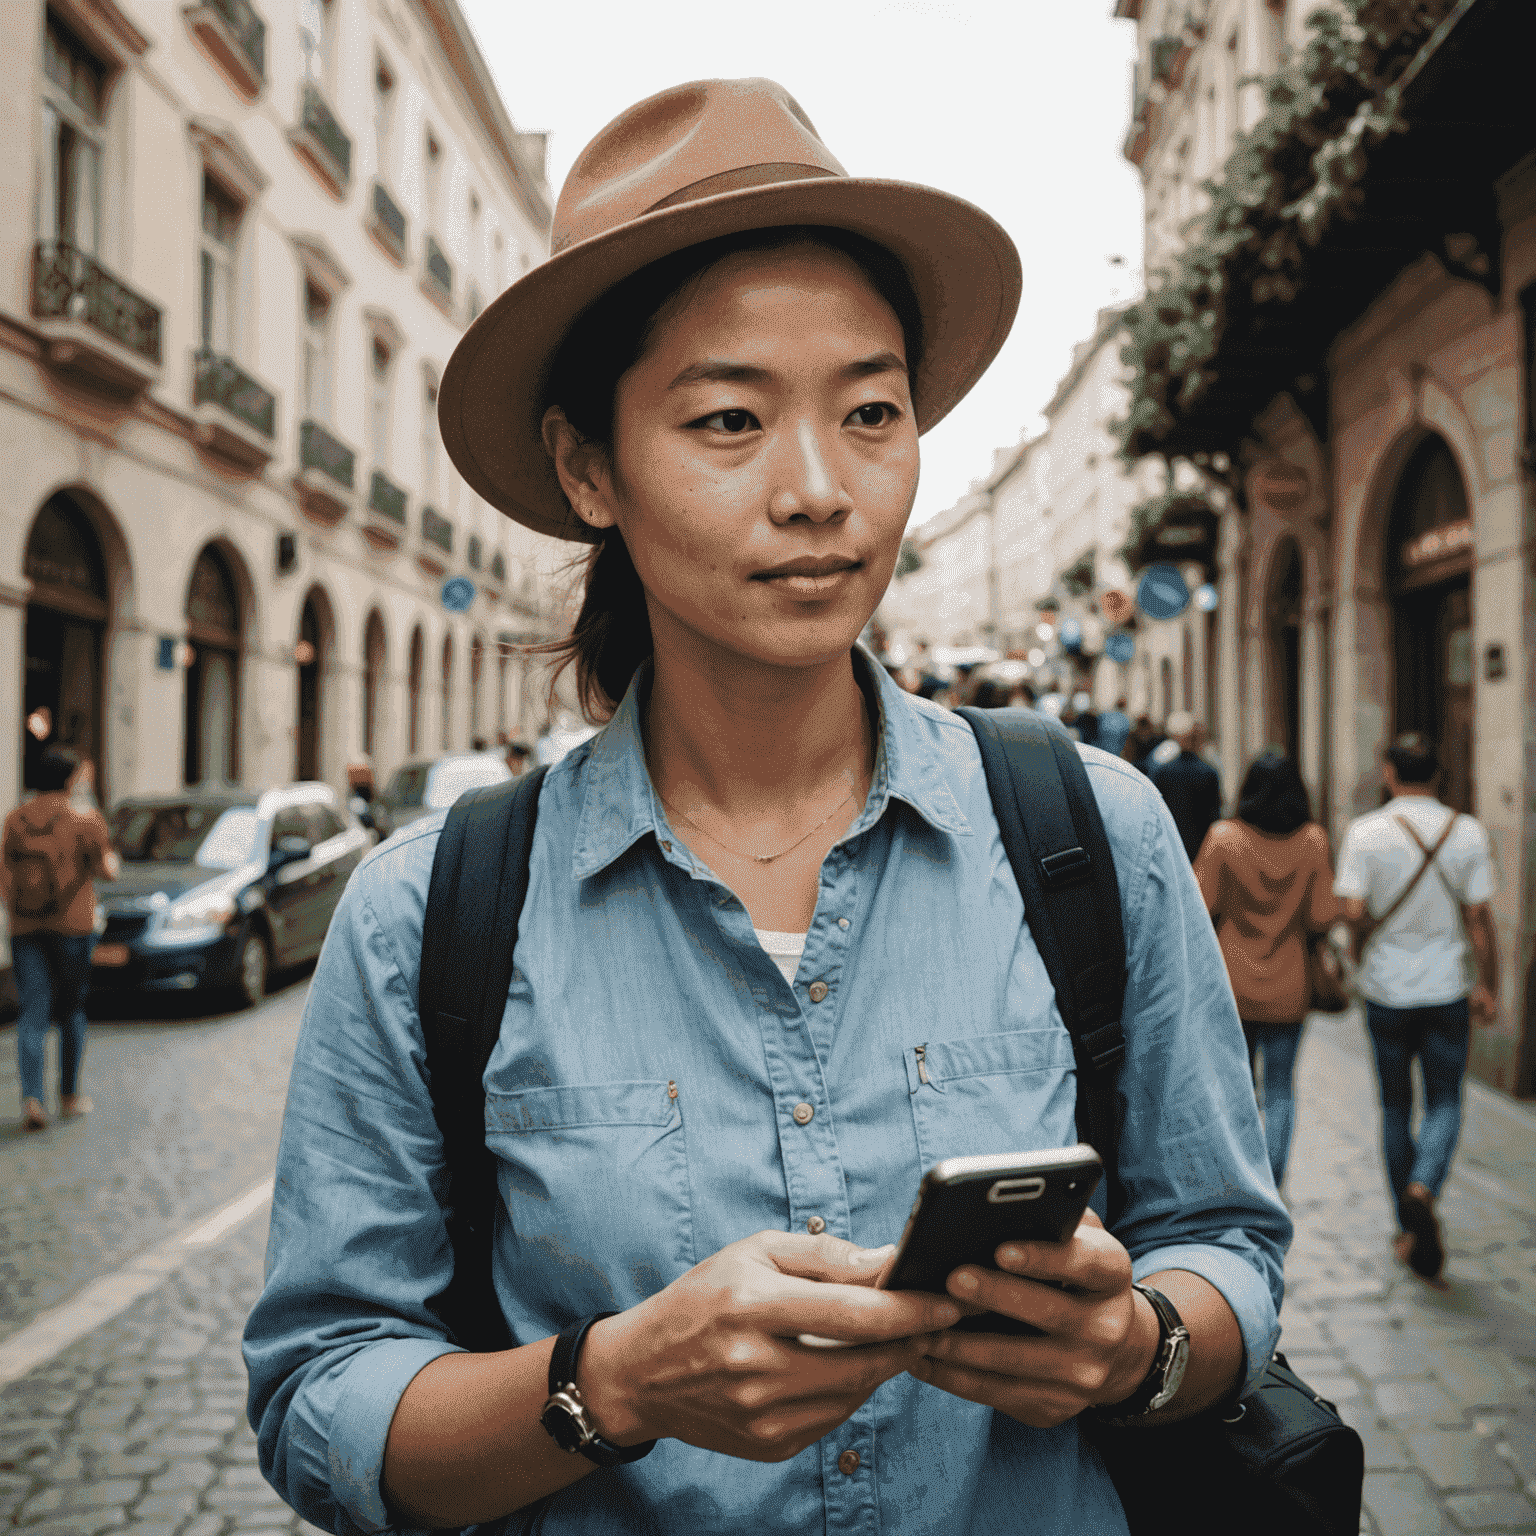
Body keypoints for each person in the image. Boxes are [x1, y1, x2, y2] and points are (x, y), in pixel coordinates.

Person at [244, 78, 1288, 1536]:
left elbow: (1227, 1244)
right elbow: (319, 1396)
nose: (821, 491)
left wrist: (1138, 1347)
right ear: (586, 466)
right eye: (731, 419)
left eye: (873, 410)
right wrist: (611, 1384)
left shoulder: (1087, 834)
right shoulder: (430, 914)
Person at [1334, 732, 1498, 1285]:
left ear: (1388, 772)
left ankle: (1404, 1224)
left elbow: (1352, 909)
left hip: (1385, 990)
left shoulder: (1366, 832)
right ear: (1438, 773)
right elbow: (1479, 920)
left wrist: (1360, 952)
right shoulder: (1467, 831)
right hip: (1447, 988)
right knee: (1446, 1100)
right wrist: (1489, 986)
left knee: (1395, 1107)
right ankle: (1425, 1188)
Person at [1194, 753, 1340, 1190]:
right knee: (1280, 1089)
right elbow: (1322, 915)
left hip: (1232, 982)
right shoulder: (1313, 840)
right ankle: (1272, 1180)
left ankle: (1240, 1178)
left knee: (1235, 1087)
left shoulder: (1224, 838)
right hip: (1288, 984)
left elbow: (1201, 908)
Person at [1, 746, 117, 1131]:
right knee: (71, 1010)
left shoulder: (15, 820)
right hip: (73, 925)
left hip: (26, 928)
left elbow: (4, 876)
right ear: (70, 779)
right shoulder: (85, 819)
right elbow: (106, 870)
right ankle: (69, 1096)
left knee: (32, 1012)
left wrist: (19, 911)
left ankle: (32, 1100)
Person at [1148, 711, 1221, 865]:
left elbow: (1155, 808)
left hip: (1171, 844)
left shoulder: (1164, 771)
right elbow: (1214, 814)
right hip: (1200, 845)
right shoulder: (1208, 772)